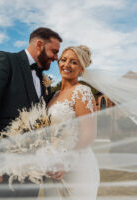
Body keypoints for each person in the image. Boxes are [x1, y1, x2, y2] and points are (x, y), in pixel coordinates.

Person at [0, 27, 62, 199]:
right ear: (39, 44)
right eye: (54, 51)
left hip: (32, 172)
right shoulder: (5, 60)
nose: (56, 57)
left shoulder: (44, 82)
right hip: (2, 167)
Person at [45, 45, 100, 199]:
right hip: (52, 168)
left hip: (76, 167)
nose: (66, 65)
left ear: (82, 69)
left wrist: (66, 162)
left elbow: (89, 133)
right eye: (64, 60)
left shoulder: (82, 92)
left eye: (74, 62)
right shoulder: (54, 96)